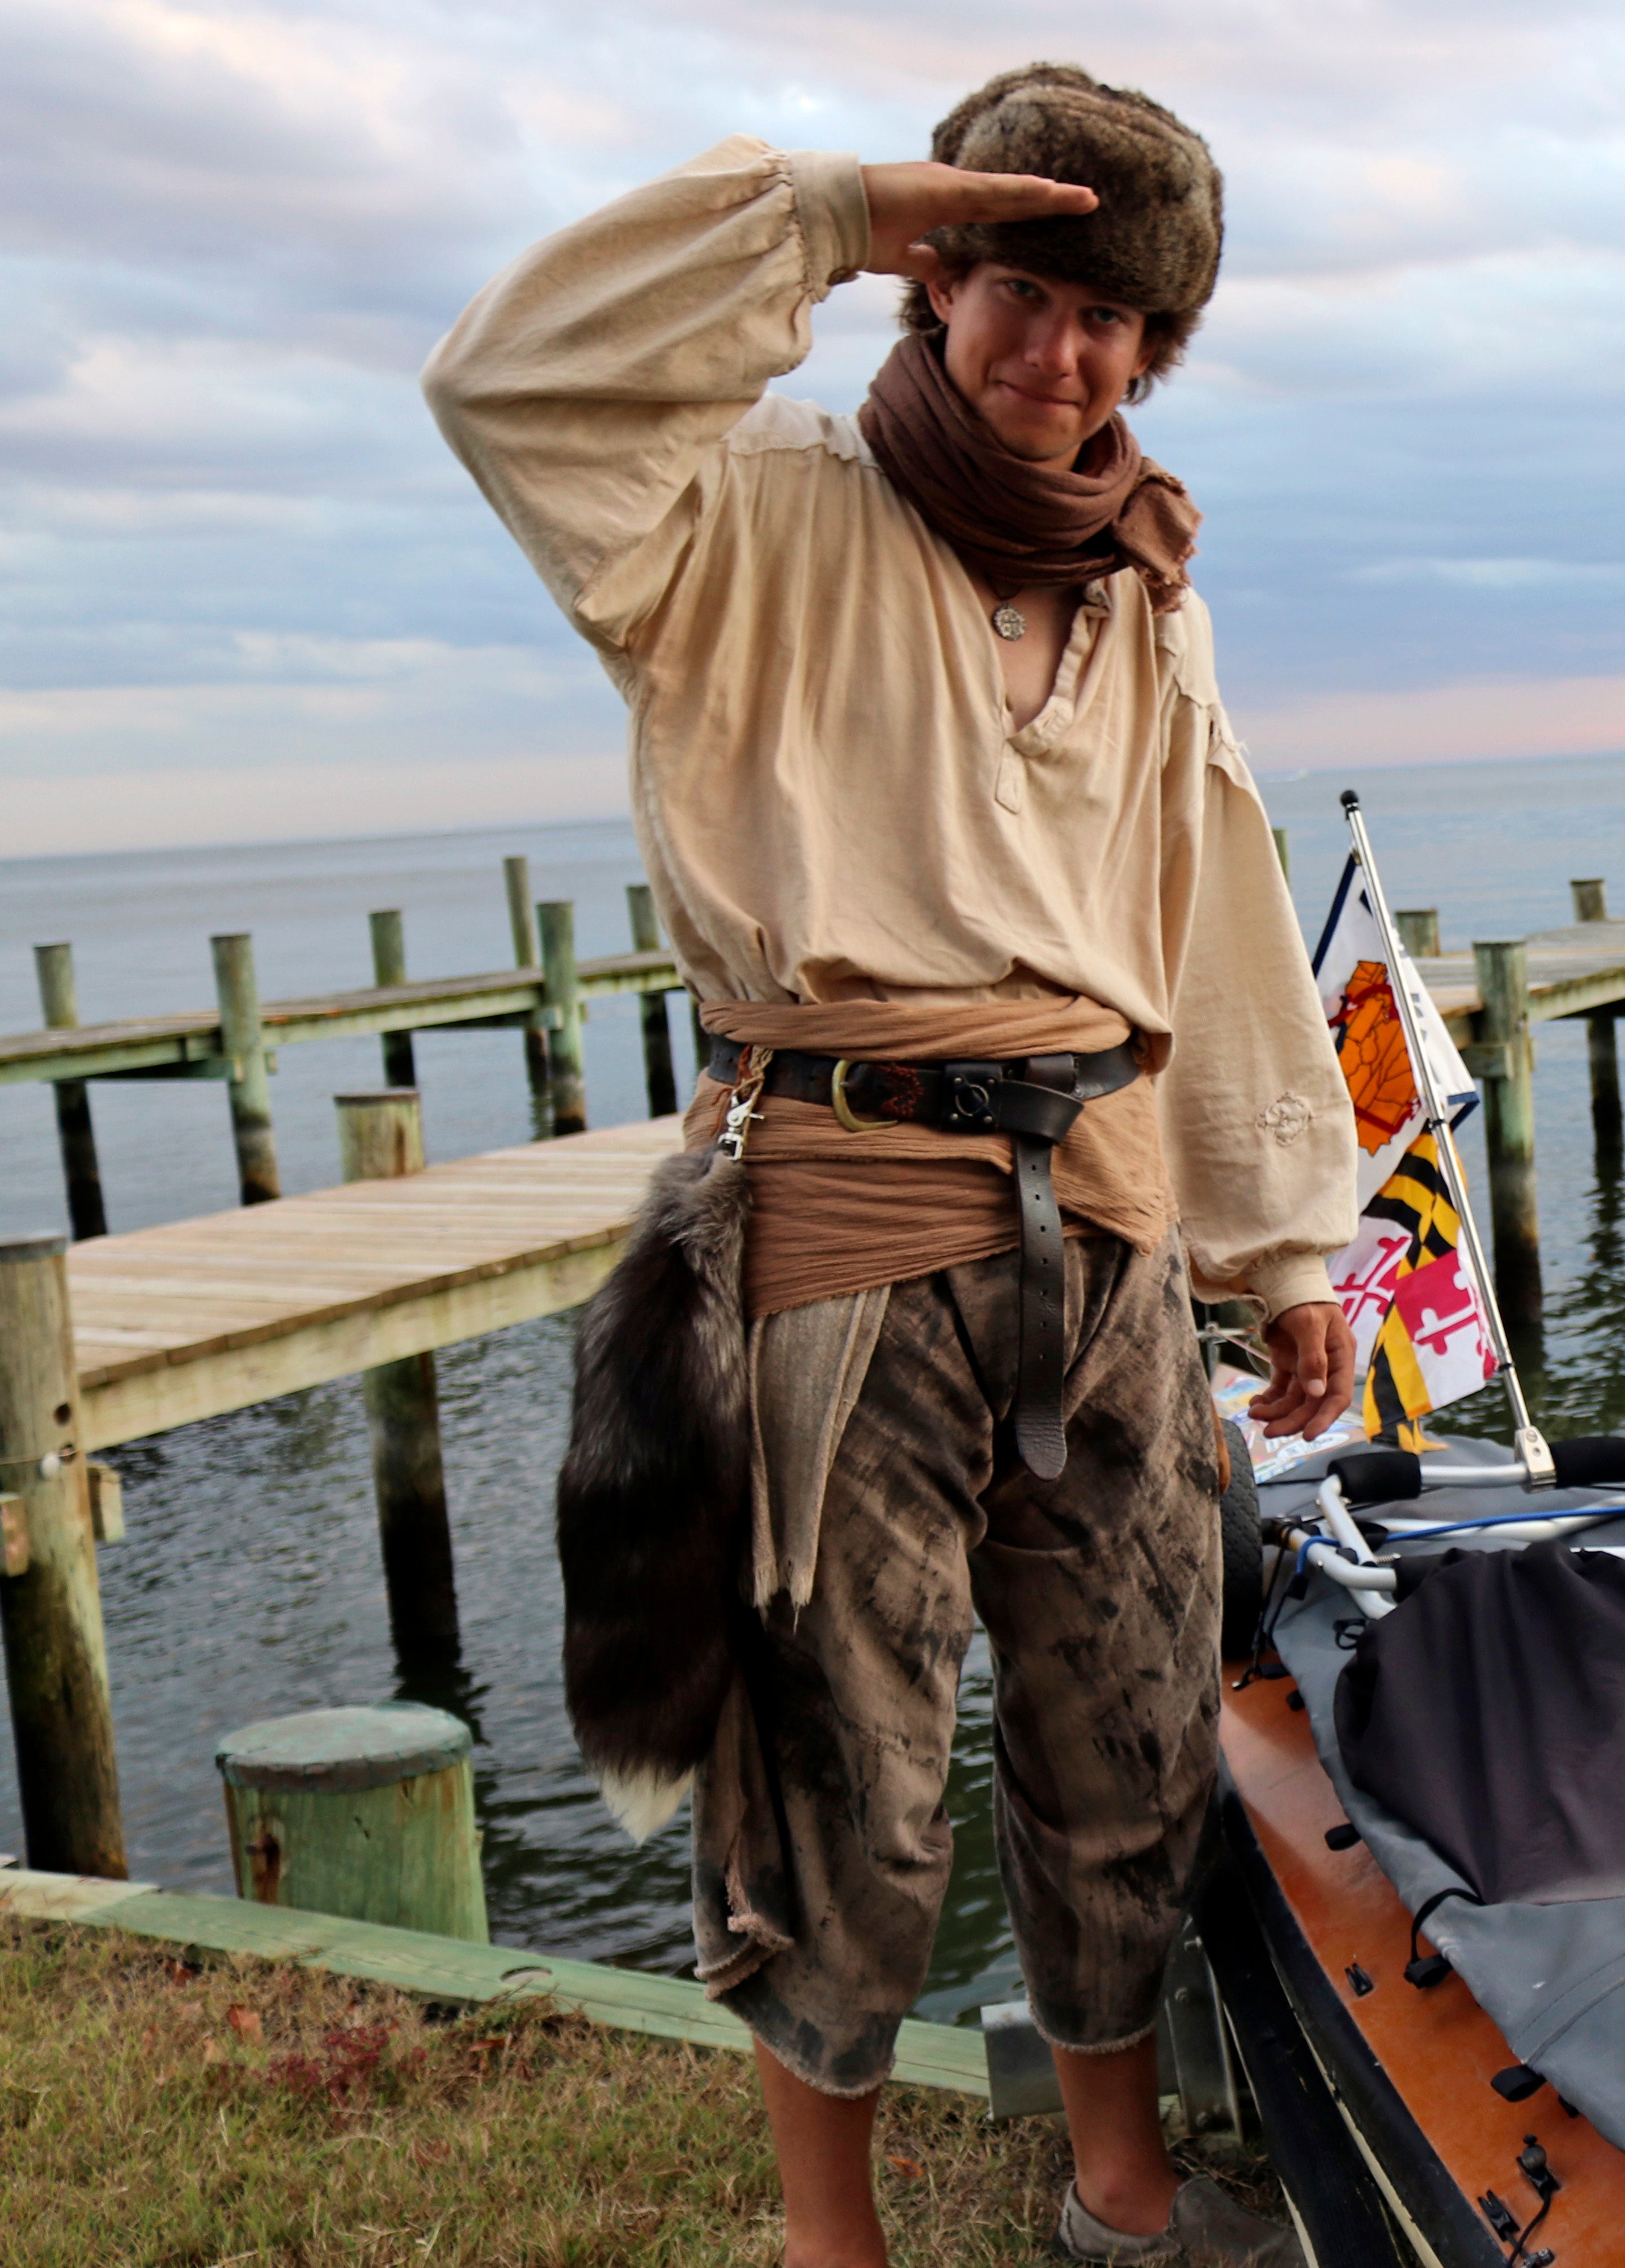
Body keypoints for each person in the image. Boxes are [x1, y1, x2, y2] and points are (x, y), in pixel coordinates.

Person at [424, 63, 1357, 2268]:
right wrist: (830, 205)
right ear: (938, 277)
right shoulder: (741, 512)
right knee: (839, 1774)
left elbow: (1207, 920)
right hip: (843, 1213)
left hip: (1112, 1233)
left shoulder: (1147, 590)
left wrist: (1288, 1243)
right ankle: (832, 2248)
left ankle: (1124, 2190)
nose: (1069, 354)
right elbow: (506, 382)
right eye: (1027, 288)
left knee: (1129, 1740)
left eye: (1120, 317)